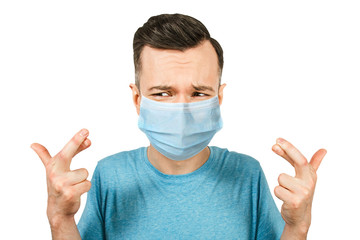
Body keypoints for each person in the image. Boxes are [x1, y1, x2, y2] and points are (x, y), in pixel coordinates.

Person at [31, 13, 327, 240]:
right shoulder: (111, 175)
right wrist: (60, 219)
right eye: (163, 93)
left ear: (219, 97)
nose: (182, 110)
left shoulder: (246, 175)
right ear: (137, 99)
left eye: (199, 93)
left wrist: (298, 226)